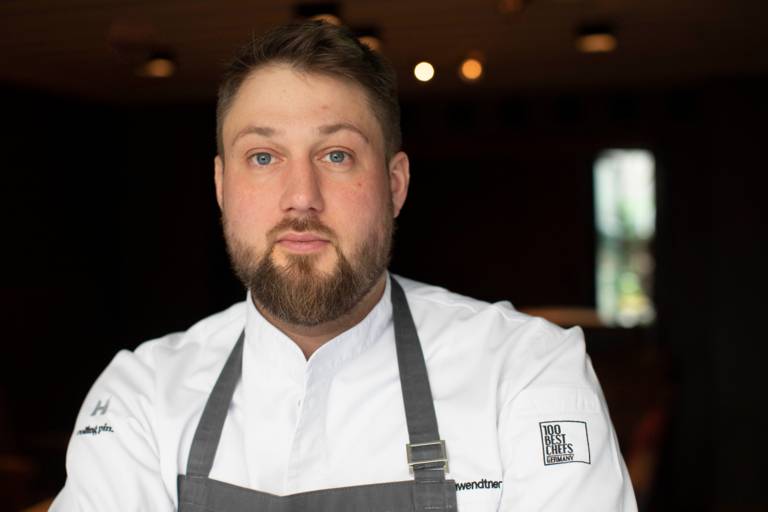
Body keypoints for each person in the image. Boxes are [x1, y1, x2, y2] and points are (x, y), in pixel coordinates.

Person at [51, 20, 637, 511]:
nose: (300, 197)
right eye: (263, 157)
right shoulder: (142, 396)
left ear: (395, 184)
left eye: (336, 155)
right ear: (221, 186)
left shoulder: (527, 371)